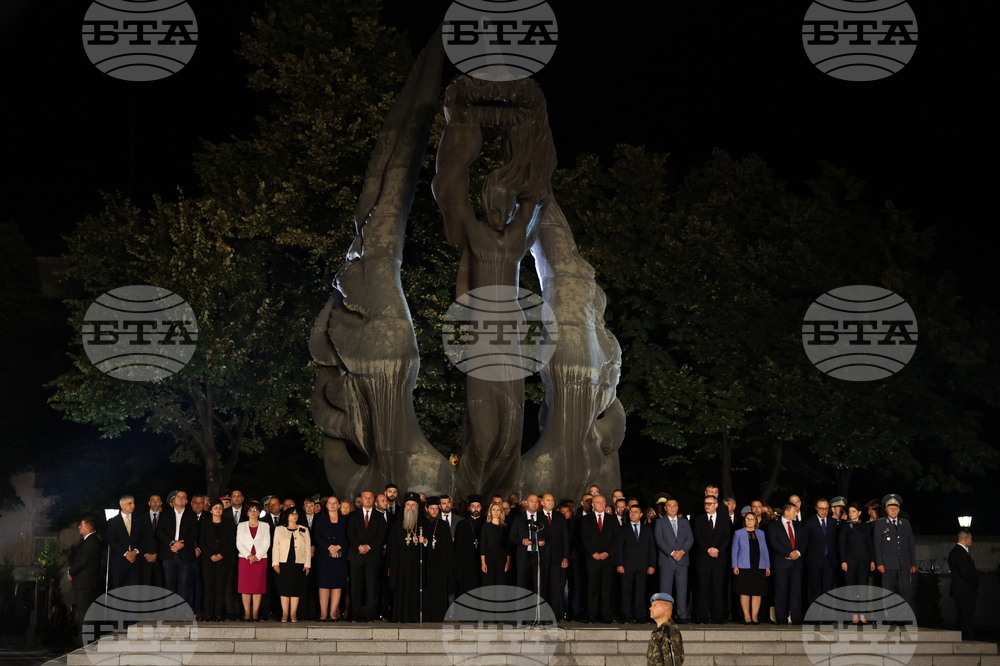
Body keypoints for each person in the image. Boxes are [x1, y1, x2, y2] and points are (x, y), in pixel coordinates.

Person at [872, 493, 917, 621]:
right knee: (888, 591)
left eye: (895, 508)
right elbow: (877, 545)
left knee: (905, 590)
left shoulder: (905, 524)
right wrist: (879, 562)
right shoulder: (880, 524)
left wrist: (913, 562)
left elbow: (911, 544)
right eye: (890, 508)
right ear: (885, 509)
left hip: (904, 563)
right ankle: (890, 618)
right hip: (887, 564)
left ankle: (904, 617)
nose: (893, 510)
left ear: (899, 509)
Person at [386, 492, 429, 622]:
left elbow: (432, 547)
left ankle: (416, 616)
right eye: (408, 505)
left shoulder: (424, 523)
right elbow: (392, 548)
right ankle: (400, 616)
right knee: (401, 590)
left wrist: (425, 541)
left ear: (418, 507)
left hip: (417, 566)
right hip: (401, 566)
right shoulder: (397, 525)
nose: (410, 508)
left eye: (413, 505)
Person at [347, 490, 386, 622]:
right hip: (356, 554)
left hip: (372, 555)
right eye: (365, 497)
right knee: (355, 585)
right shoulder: (353, 515)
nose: (368, 499)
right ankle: (355, 613)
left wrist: (369, 547)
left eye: (370, 497)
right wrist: (359, 546)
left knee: (371, 585)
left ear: (373, 500)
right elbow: (350, 533)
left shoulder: (379, 516)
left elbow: (381, 536)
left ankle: (370, 614)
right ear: (361, 499)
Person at [690, 494, 731, 624]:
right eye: (705, 504)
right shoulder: (699, 519)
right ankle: (702, 615)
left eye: (710, 504)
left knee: (718, 587)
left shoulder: (724, 520)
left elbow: (726, 537)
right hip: (703, 557)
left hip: (719, 558)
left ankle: (717, 615)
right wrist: (708, 549)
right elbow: (697, 536)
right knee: (703, 587)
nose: (707, 506)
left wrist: (717, 549)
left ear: (716, 505)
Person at [156, 490, 199, 610]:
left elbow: (194, 533)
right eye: (178, 496)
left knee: (184, 584)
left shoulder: (191, 515)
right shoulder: (165, 514)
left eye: (183, 497)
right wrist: (173, 543)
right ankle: (169, 611)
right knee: (169, 583)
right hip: (169, 553)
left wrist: (181, 544)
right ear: (174, 500)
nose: (180, 499)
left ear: (186, 501)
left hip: (185, 554)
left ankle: (181, 611)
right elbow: (160, 532)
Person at [580, 494, 620, 623]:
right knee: (592, 587)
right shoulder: (586, 520)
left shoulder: (612, 519)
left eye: (603, 502)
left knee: (607, 588)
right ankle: (591, 614)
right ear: (592, 504)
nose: (601, 504)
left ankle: (606, 615)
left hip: (607, 559)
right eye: (598, 502)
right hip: (592, 559)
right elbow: (584, 538)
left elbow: (616, 539)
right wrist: (593, 553)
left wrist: (607, 553)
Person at [653, 497, 692, 624]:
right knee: (665, 590)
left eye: (674, 505)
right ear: (665, 508)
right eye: (669, 505)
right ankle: (665, 616)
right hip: (666, 560)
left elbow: (690, 539)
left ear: (678, 507)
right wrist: (672, 552)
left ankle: (682, 615)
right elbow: (659, 540)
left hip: (682, 560)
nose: (672, 508)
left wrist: (682, 551)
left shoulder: (684, 522)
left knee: (682, 590)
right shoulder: (660, 522)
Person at [767, 503, 806, 625]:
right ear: (786, 512)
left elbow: (804, 541)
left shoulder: (799, 525)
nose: (796, 513)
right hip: (781, 562)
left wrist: (798, 553)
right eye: (794, 511)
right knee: (781, 590)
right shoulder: (774, 526)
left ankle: (796, 616)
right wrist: (789, 553)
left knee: (796, 591)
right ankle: (781, 617)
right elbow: (774, 542)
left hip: (796, 563)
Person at [272, 507, 312, 622]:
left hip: (298, 563)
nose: (294, 516)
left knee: (296, 588)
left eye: (296, 514)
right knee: (284, 588)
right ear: (287, 516)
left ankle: (293, 613)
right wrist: (275, 563)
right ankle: (285, 613)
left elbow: (307, 548)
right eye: (292, 514)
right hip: (284, 562)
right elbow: (276, 547)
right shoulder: (279, 529)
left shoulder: (303, 529)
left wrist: (307, 564)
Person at [313, 495, 349, 621]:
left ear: (339, 505)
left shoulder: (345, 520)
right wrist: (330, 547)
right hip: (324, 555)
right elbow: (317, 536)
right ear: (326, 505)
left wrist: (338, 546)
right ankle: (323, 613)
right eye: (330, 503)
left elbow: (349, 536)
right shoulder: (320, 519)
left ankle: (333, 613)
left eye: (335, 503)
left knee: (337, 584)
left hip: (340, 555)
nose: (332, 505)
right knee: (324, 584)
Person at [199, 499, 236, 622]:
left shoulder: (229, 523)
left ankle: (218, 613)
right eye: (215, 508)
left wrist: (221, 554)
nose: (218, 510)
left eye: (220, 508)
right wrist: (211, 555)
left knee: (221, 586)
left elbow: (231, 541)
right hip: (208, 559)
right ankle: (208, 613)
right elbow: (202, 542)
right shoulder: (205, 524)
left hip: (224, 558)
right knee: (209, 586)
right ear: (210, 510)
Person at [618, 505, 656, 623]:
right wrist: (619, 564)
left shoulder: (647, 530)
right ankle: (626, 615)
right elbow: (619, 548)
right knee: (626, 591)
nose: (632, 514)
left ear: (641, 515)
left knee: (640, 591)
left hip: (642, 566)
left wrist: (652, 565)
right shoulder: (623, 529)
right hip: (627, 566)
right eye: (630, 512)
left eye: (635, 512)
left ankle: (639, 615)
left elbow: (651, 548)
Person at [838, 502, 875, 624]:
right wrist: (843, 560)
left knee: (863, 588)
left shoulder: (865, 526)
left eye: (854, 511)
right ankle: (853, 615)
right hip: (850, 560)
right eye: (849, 511)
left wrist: (873, 560)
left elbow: (870, 544)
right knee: (851, 588)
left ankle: (863, 615)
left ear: (859, 513)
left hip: (864, 560)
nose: (851, 514)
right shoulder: (844, 526)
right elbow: (841, 544)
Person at [731, 512, 770, 624]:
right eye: (747, 519)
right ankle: (747, 616)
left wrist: (767, 566)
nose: (749, 521)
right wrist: (735, 565)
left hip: (759, 566)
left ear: (756, 521)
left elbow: (765, 550)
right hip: (744, 566)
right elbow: (734, 550)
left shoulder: (761, 533)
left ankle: (755, 616)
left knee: (757, 592)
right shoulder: (738, 533)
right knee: (745, 591)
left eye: (752, 519)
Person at [67, 518, 101, 642]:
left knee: (84, 613)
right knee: (87, 612)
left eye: (81, 525)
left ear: (87, 528)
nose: (79, 527)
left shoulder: (90, 542)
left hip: (85, 583)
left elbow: (83, 561)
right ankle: (89, 640)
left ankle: (87, 641)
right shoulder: (92, 541)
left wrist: (71, 571)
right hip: (88, 582)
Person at [422, 497, 454, 621]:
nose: (434, 511)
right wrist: (425, 542)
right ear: (426, 509)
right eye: (432, 509)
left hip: (440, 564)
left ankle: (440, 615)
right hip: (426, 563)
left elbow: (447, 547)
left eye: (436, 509)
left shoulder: (443, 525)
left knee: (440, 591)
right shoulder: (422, 524)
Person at [509, 494, 548, 596]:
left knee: (538, 586)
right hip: (523, 557)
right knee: (521, 586)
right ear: (526, 502)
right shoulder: (518, 518)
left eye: (536, 501)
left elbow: (549, 535)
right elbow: (511, 537)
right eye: (532, 501)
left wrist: (543, 541)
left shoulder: (543, 518)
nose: (534, 504)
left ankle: (537, 611)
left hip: (538, 556)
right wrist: (522, 541)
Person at [803, 498, 838, 610]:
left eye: (826, 508)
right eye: (821, 508)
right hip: (814, 560)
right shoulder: (809, 522)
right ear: (816, 508)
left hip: (829, 560)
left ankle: (826, 615)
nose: (824, 511)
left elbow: (836, 541)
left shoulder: (833, 522)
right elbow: (805, 541)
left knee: (828, 588)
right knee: (814, 588)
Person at [236, 502, 269, 621]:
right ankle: (247, 613)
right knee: (245, 587)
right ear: (247, 513)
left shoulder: (265, 525)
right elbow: (239, 543)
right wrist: (249, 555)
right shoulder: (241, 525)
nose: (253, 512)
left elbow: (266, 543)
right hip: (245, 559)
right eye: (251, 510)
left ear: (259, 512)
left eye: (255, 510)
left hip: (260, 560)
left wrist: (257, 556)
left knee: (257, 587)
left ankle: (255, 613)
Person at [540, 493, 570, 621]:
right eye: (548, 500)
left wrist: (565, 557)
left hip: (557, 558)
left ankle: (554, 614)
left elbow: (565, 538)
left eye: (552, 500)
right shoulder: (537, 517)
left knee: (556, 587)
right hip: (541, 558)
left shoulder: (559, 517)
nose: (551, 502)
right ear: (542, 502)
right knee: (542, 586)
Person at [108, 494, 144, 589]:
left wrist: (135, 552)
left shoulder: (140, 520)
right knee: (118, 590)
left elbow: (143, 538)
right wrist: (126, 553)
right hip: (119, 562)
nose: (133, 506)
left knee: (134, 591)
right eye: (130, 503)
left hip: (136, 561)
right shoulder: (113, 522)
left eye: (133, 503)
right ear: (122, 505)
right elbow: (112, 540)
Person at [948, 531, 979, 641]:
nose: (971, 540)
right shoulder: (960, 553)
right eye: (970, 538)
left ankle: (963, 638)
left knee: (963, 615)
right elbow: (966, 572)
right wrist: (977, 582)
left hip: (961, 590)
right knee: (966, 616)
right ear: (965, 538)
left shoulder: (956, 552)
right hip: (965, 591)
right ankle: (965, 639)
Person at [454, 494, 485, 597]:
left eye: (478, 506)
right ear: (468, 508)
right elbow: (458, 548)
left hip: (482, 563)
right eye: (473, 506)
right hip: (466, 565)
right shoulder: (462, 525)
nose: (475, 509)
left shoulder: (486, 523)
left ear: (481, 508)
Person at [646, 592, 684, 666]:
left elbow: (672, 662)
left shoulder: (669, 631)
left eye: (655, 605)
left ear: (664, 608)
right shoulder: (661, 630)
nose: (650, 608)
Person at [480, 501, 512, 586]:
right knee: (488, 583)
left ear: (501, 512)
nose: (496, 512)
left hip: (502, 558)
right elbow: (483, 545)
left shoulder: (505, 527)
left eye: (498, 510)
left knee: (501, 583)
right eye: (494, 509)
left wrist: (508, 562)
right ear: (490, 511)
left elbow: (508, 546)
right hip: (489, 558)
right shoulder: (485, 526)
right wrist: (483, 562)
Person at [136, 494, 163, 588]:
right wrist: (145, 553)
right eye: (153, 500)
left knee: (160, 586)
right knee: (145, 586)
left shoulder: (166, 518)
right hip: (144, 558)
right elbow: (137, 538)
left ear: (161, 503)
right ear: (149, 503)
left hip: (161, 558)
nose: (155, 502)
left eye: (157, 500)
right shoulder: (140, 519)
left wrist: (158, 553)